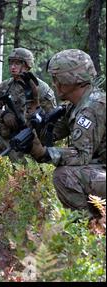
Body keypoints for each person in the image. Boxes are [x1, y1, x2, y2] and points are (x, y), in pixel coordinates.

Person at [27, 49, 105, 218]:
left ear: (70, 80)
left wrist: (45, 153)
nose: (54, 83)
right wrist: (35, 115)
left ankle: (88, 226)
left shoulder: (91, 107)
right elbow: (52, 134)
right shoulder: (76, 105)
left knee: (64, 175)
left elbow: (81, 155)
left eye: (56, 78)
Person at [0, 48, 57, 162]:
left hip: (31, 144)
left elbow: (52, 120)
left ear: (27, 65)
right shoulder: (5, 86)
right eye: (11, 63)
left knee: (20, 167)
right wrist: (3, 114)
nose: (13, 67)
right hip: (6, 138)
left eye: (17, 63)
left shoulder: (42, 89)